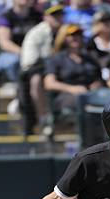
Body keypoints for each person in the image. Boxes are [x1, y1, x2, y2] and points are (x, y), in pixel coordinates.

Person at [19, 2, 65, 134]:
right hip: (42, 71)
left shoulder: (68, 31)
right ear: (45, 17)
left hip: (65, 70)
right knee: (36, 80)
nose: (57, 18)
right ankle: (43, 117)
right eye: (53, 15)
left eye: (59, 14)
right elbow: (29, 63)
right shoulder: (36, 34)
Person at [43, 24, 103, 114]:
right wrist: (72, 89)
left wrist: (97, 84)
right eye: (71, 35)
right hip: (67, 96)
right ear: (63, 37)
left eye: (79, 34)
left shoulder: (90, 57)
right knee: (81, 100)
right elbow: (49, 83)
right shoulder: (56, 58)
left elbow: (100, 78)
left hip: (92, 93)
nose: (76, 37)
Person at [0, 0, 43, 82]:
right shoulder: (6, 17)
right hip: (11, 54)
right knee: (14, 61)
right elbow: (4, 43)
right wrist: (25, 53)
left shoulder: (37, 16)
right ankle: (16, 86)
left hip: (35, 52)